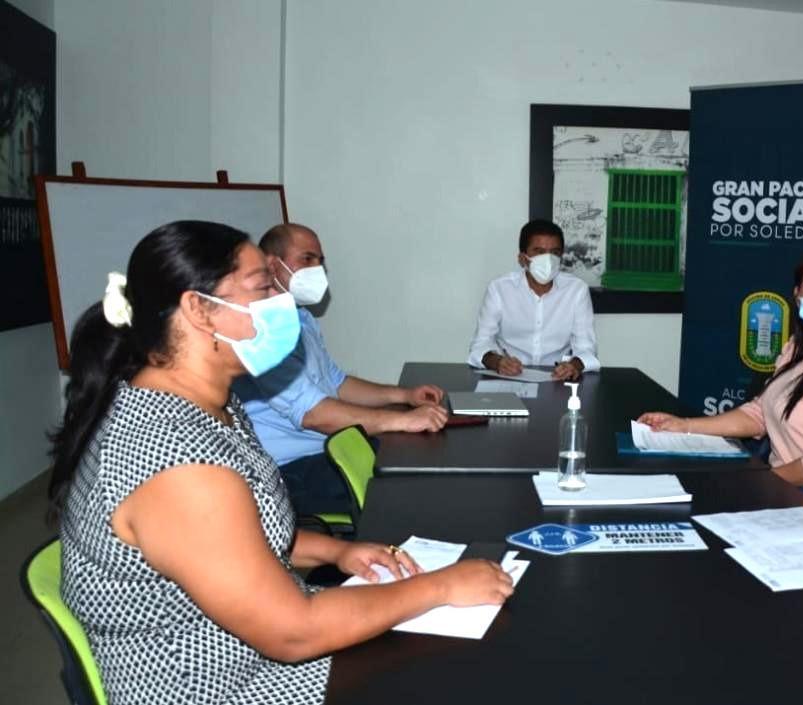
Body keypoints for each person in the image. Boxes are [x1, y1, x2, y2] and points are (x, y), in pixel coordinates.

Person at [50, 221, 513, 705]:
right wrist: (440, 587)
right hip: (217, 685)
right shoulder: (175, 464)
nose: (280, 301)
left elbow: (241, 535)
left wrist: (335, 553)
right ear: (198, 309)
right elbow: (293, 632)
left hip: (250, 652)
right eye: (263, 287)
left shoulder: (209, 406)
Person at [638, 247, 803, 536]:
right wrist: (683, 425)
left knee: (715, 531)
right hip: (788, 489)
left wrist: (765, 480)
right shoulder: (799, 349)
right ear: (797, 296)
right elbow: (759, 413)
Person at [234, 223, 448, 517]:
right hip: (291, 470)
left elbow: (337, 382)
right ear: (272, 265)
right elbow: (314, 414)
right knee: (409, 493)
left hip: (329, 449)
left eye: (320, 262)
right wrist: (402, 421)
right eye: (307, 259)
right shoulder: (260, 334)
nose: (317, 270)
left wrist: (405, 395)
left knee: (423, 464)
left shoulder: (302, 318)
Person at [468, 219, 599, 381]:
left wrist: (574, 365)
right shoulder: (500, 289)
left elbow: (586, 347)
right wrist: (498, 362)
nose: (548, 259)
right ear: (523, 258)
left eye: (555, 252)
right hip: (508, 377)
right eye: (539, 252)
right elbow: (480, 344)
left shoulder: (576, 290)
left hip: (558, 379)